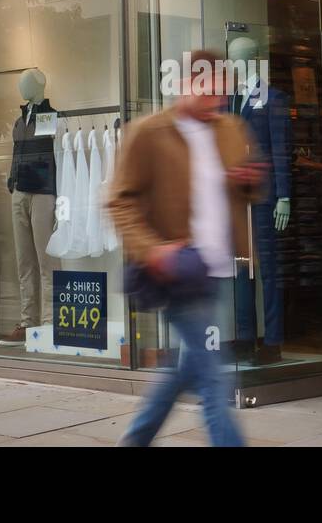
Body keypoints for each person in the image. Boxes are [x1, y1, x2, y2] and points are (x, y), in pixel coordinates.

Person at [109, 49, 264, 447]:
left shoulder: (230, 129)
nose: (218, 99)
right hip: (178, 268)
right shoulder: (149, 133)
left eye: (222, 91)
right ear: (187, 86)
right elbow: (119, 201)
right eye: (210, 90)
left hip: (215, 267)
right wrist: (153, 250)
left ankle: (134, 440)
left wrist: (247, 181)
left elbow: (246, 192)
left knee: (186, 369)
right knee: (213, 376)